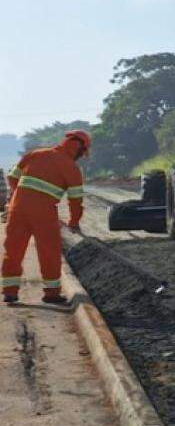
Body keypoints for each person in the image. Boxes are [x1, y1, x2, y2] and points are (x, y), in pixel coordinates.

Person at [2, 130, 89, 305]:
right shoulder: (72, 169)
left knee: (13, 250)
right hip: (44, 215)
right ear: (79, 148)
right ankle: (51, 294)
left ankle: (9, 292)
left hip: (17, 209)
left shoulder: (36, 154)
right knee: (50, 252)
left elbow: (12, 177)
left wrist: (20, 196)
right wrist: (73, 223)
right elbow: (75, 201)